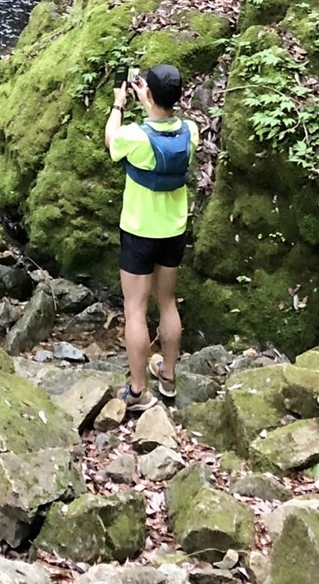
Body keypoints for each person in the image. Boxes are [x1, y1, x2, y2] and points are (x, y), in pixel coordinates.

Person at [104, 62, 197, 411]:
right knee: (167, 302)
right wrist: (150, 102)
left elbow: (111, 139)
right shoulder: (191, 131)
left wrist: (119, 104)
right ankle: (169, 377)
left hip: (139, 232)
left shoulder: (134, 136)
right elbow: (167, 125)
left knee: (136, 309)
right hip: (173, 231)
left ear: (146, 92)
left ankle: (138, 390)